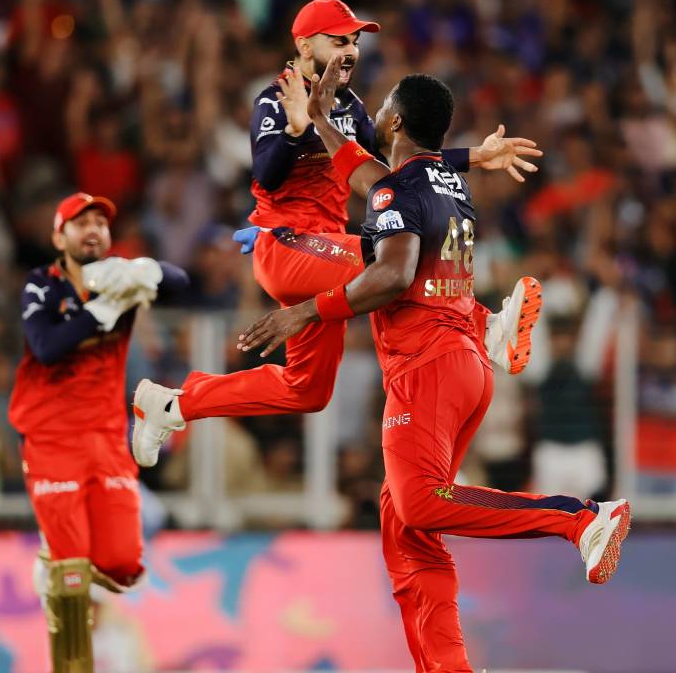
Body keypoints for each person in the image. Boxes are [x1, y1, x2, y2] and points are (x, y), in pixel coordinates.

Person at [238, 61, 631, 671]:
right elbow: (365, 175)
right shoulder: (444, 183)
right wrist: (318, 118)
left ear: (394, 121)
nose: (374, 114)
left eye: (382, 108)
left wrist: (305, 312)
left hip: (426, 368)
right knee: (407, 531)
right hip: (462, 366)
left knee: (418, 504)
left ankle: (578, 518)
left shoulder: (400, 190)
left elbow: (392, 274)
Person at [131, 0, 545, 466]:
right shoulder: (276, 98)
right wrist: (294, 130)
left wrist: (475, 157)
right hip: (290, 247)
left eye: (354, 41)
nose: (350, 51)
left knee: (307, 390)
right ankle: (485, 326)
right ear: (305, 46)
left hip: (325, 255)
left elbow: (393, 167)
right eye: (338, 41)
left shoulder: (349, 106)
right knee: (395, 259)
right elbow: (265, 175)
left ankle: (170, 406)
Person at [8, 192, 188, 673]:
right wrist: (101, 312)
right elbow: (45, 346)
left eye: (100, 223)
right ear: (58, 237)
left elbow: (182, 282)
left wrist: (147, 271)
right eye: (80, 222)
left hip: (107, 437)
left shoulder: (121, 280)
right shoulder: (42, 284)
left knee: (124, 566)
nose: (92, 230)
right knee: (70, 573)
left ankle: (55, 562)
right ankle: (56, 568)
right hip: (51, 436)